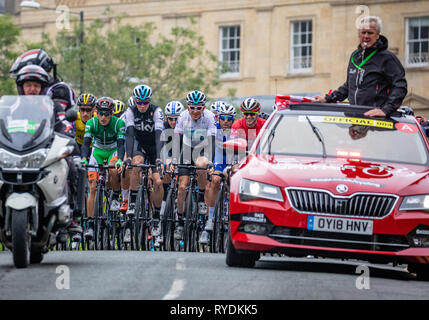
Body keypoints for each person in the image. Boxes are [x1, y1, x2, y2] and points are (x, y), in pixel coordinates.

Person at [15, 64, 83, 236]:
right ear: (21, 87)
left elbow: (64, 124)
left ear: (42, 88)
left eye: (36, 86)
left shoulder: (53, 107)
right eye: (28, 85)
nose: (32, 89)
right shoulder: (13, 108)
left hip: (45, 152)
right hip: (16, 153)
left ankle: (71, 215)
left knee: (71, 166)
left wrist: (67, 134)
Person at [313, 16, 407, 117]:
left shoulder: (387, 58)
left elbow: (400, 86)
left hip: (376, 120)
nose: (366, 36)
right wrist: (327, 99)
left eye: (370, 33)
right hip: (354, 118)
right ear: (358, 34)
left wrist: (385, 110)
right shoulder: (354, 56)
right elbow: (349, 86)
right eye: (363, 32)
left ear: (378, 35)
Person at [122, 84, 164, 240]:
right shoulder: (130, 111)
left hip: (155, 147)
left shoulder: (157, 111)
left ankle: (157, 217)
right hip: (140, 145)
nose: (142, 105)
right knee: (136, 162)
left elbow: (159, 135)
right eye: (139, 102)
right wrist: (127, 157)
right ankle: (132, 202)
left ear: (149, 101)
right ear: (135, 101)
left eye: (145, 102)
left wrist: (159, 157)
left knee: (158, 182)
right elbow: (130, 135)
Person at [173, 90, 216, 240]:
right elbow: (176, 141)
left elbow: (212, 141)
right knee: (182, 186)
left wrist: (210, 161)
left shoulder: (210, 117)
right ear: (188, 107)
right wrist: (173, 160)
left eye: (199, 108)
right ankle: (179, 220)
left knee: (201, 164)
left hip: (203, 148)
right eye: (192, 107)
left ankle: (200, 199)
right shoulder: (183, 116)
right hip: (186, 148)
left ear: (204, 108)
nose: (195, 111)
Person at [80, 97, 126, 239]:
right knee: (92, 186)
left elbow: (120, 145)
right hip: (97, 152)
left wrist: (119, 160)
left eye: (107, 114)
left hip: (112, 151)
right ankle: (91, 225)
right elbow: (86, 143)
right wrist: (83, 159)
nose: (103, 117)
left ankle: (116, 195)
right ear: (96, 112)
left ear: (112, 113)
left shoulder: (119, 123)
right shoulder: (91, 123)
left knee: (113, 168)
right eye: (100, 113)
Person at [199, 102, 236, 244]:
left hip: (232, 159)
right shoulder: (214, 129)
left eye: (229, 119)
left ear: (232, 120)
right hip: (218, 158)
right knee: (214, 180)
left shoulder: (236, 131)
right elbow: (210, 148)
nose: (225, 121)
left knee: (233, 181)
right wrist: (211, 165)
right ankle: (210, 220)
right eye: (223, 118)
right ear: (218, 118)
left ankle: (230, 211)